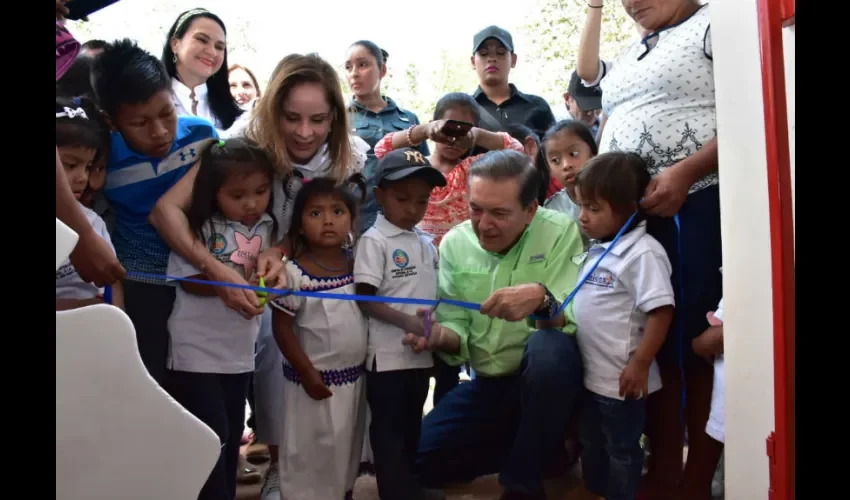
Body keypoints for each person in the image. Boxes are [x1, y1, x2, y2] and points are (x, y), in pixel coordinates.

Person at [577, 2, 723, 498]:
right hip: (638, 222)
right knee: (650, 345)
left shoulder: (715, 23)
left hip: (696, 205)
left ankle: (694, 479)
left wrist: (687, 171)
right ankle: (663, 468)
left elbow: (757, 108)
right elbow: (597, 92)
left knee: (695, 342)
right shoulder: (636, 47)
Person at [403, 149, 585, 500]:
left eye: (500, 213)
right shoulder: (456, 243)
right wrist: (437, 335)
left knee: (549, 348)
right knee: (422, 461)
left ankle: (522, 481)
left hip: (546, 379)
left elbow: (573, 317)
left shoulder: (560, 231)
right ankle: (538, 447)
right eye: (476, 209)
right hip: (489, 383)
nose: (484, 224)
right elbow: (457, 327)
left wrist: (541, 298)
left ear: (531, 210)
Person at [373, 92, 523, 405]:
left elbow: (516, 150)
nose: (454, 138)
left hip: (458, 280)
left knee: (449, 363)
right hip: (417, 278)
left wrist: (479, 137)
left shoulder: (476, 168)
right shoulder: (417, 170)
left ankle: (449, 420)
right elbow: (382, 148)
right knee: (416, 359)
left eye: (464, 132)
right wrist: (424, 131)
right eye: (448, 129)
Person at [90, 38, 220, 386]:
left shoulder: (204, 139)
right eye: (140, 122)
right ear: (111, 121)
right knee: (151, 384)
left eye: (167, 113)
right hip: (140, 285)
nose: (160, 132)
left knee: (202, 388)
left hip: (200, 281)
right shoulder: (100, 161)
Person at [165, 138, 277, 500]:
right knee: (210, 435)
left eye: (260, 191)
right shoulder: (200, 229)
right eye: (238, 194)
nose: (251, 203)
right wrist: (228, 285)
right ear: (214, 193)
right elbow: (188, 280)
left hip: (240, 352)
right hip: (196, 351)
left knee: (230, 436)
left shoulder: (267, 226)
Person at [572, 152, 675, 500]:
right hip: (593, 377)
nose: (582, 217)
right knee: (593, 442)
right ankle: (599, 491)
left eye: (594, 209)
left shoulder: (643, 253)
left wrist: (641, 363)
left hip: (622, 383)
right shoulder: (600, 248)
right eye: (580, 206)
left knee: (623, 449)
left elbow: (661, 311)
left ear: (631, 208)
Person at [354, 149, 447, 500]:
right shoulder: (374, 241)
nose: (413, 208)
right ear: (379, 197)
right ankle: (395, 492)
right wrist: (407, 320)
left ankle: (410, 487)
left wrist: (431, 329)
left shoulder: (425, 241)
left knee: (411, 426)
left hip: (420, 355)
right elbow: (365, 297)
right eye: (403, 198)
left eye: (422, 200)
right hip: (387, 358)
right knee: (390, 431)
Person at [269, 175, 369, 500]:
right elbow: (281, 329)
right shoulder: (295, 275)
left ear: (352, 219)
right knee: (310, 452)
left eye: (338, 211)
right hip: (310, 384)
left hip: (353, 382)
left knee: (344, 449)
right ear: (298, 225)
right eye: (315, 213)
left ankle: (344, 492)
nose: (328, 220)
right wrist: (307, 372)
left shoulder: (360, 267)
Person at [345, 40, 430, 234]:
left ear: (382, 70)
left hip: (402, 223)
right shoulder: (339, 119)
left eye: (363, 64)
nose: (354, 73)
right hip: (356, 223)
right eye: (348, 67)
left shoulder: (409, 119)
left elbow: (424, 170)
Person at [55, 96, 124, 310]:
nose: (82, 178)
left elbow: (113, 285)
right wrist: (79, 310)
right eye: (70, 165)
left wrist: (115, 318)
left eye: (87, 167)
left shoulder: (93, 222)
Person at [162, 8, 248, 138]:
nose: (212, 52)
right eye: (202, 40)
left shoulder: (239, 117)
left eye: (219, 47)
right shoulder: (150, 101)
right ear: (175, 44)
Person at [470, 26, 556, 139]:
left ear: (513, 60)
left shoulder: (538, 106)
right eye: (484, 53)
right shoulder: (465, 109)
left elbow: (554, 150)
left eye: (500, 52)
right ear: (473, 62)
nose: (492, 59)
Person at [542, 120, 598, 226]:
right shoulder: (552, 211)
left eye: (573, 154)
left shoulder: (612, 192)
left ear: (592, 153)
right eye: (555, 160)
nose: (566, 165)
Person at [563, 71, 603, 139]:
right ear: (567, 98)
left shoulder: (608, 126)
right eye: (586, 106)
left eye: (597, 107)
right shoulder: (554, 130)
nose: (591, 113)